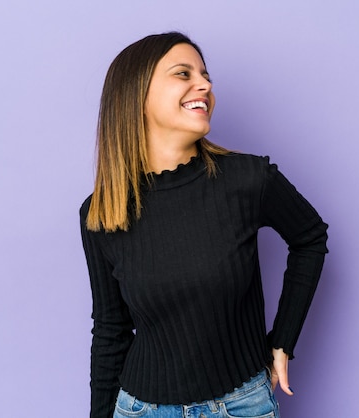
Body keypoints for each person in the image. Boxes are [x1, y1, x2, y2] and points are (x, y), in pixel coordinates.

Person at [80, 31, 328, 418]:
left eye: (205, 75)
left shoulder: (248, 179)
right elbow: (111, 330)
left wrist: (283, 340)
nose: (205, 85)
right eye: (183, 73)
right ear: (137, 95)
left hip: (242, 405)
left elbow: (310, 237)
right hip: (139, 410)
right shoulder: (102, 211)